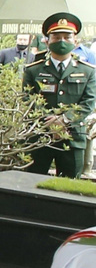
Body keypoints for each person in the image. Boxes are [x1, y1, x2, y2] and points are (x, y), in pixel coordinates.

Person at [26, 12, 96, 177]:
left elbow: (88, 102)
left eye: (67, 37)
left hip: (73, 138)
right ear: (47, 41)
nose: (62, 41)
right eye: (56, 37)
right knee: (31, 184)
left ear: (75, 41)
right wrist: (49, 123)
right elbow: (27, 100)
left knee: (69, 188)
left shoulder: (88, 71)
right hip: (39, 136)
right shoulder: (33, 70)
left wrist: (64, 119)